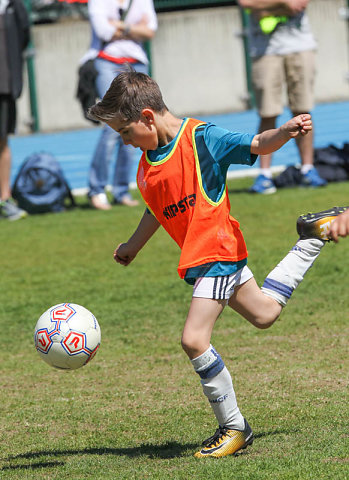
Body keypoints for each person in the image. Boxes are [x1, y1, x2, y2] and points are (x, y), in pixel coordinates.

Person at [88, 72, 344, 458]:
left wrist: (287, 131)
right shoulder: (149, 160)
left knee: (193, 339)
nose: (124, 141)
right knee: (265, 314)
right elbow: (157, 209)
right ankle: (311, 237)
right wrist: (132, 246)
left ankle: (234, 427)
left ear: (147, 116)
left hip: (216, 251)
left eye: (125, 131)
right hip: (206, 257)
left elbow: (256, 143)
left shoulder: (201, 138)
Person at [238, 0, 327, 194]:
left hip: (300, 46)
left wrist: (266, 6)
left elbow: (299, 4)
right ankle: (264, 175)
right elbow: (246, 3)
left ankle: (307, 170)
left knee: (303, 111)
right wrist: (283, 3)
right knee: (268, 113)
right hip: (264, 50)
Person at [86, 0, 157, 210]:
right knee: (113, 124)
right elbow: (104, 31)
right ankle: (97, 189)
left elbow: (151, 30)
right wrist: (135, 29)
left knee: (136, 124)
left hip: (136, 62)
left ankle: (121, 190)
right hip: (107, 61)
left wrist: (120, 26)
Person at [0, 0, 29, 220]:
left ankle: (4, 199)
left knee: (2, 142)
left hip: (4, 87)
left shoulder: (12, 6)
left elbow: (24, 35)